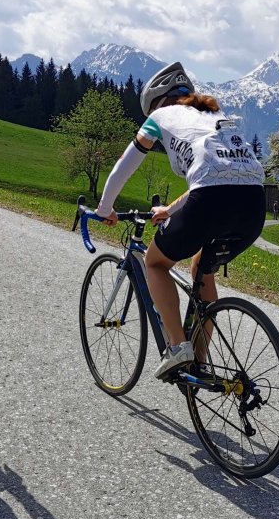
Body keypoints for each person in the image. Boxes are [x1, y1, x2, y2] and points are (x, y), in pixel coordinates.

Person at [94, 61, 266, 379]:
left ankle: (178, 348)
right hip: (255, 203)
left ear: (157, 103)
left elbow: (124, 165)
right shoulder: (214, 115)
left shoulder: (160, 117)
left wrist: (105, 207)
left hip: (211, 201)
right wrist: (170, 211)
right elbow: (219, 176)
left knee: (155, 263)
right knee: (203, 269)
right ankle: (199, 363)